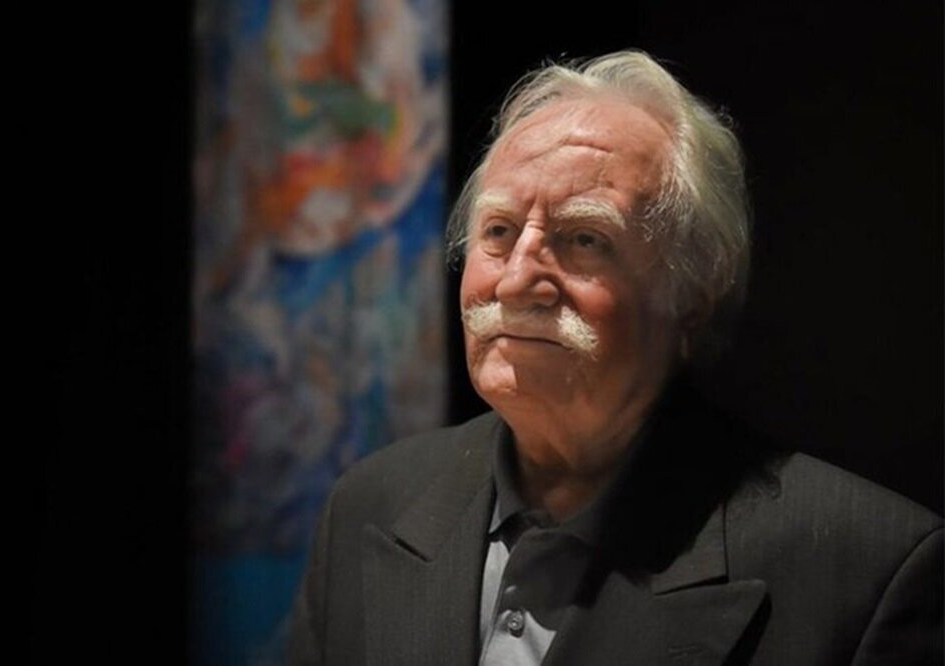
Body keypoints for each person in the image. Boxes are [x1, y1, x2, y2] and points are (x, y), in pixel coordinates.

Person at [288, 50, 942, 665]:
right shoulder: (368, 507)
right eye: (498, 231)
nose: (514, 282)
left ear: (694, 289)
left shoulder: (867, 571)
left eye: (583, 238)